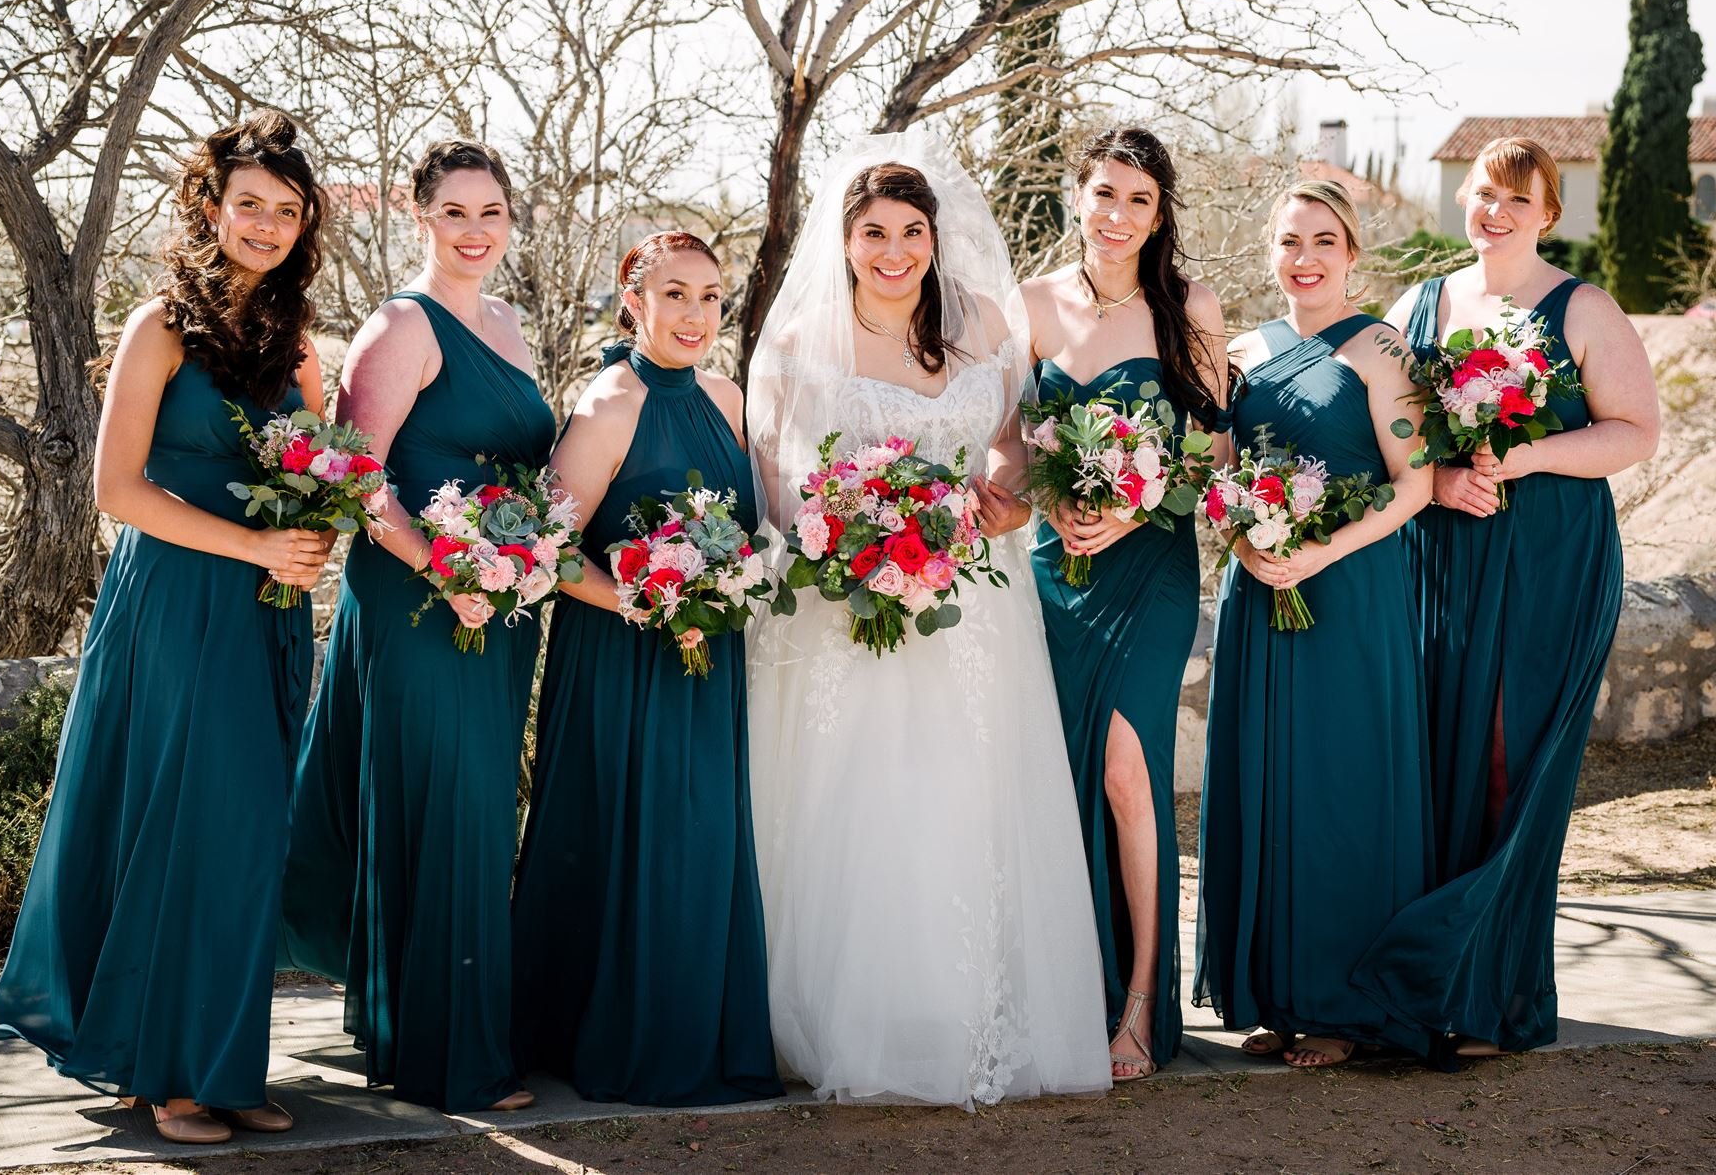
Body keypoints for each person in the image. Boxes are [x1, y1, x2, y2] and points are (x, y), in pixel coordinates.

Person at [0, 111, 333, 1144]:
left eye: (285, 209)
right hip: (175, 606)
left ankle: (224, 1065)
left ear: (304, 222)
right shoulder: (159, 328)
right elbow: (115, 490)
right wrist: (257, 548)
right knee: (181, 820)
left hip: (268, 613)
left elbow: (327, 474)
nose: (265, 225)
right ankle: (166, 1071)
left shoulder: (302, 347)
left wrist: (317, 532)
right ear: (210, 208)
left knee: (241, 836)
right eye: (248, 205)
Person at [746, 132, 1111, 1109]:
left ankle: (966, 1016)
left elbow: (1013, 444)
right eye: (874, 231)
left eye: (911, 231)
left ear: (934, 237)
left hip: (971, 609)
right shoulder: (796, 342)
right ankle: (858, 1023)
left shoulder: (982, 321)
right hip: (844, 611)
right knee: (860, 802)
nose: (894, 249)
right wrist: (837, 541)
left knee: (963, 794)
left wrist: (1008, 496)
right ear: (845, 237)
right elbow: (776, 475)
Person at [1355, 137, 1659, 1059]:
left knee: (1507, 759)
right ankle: (1423, 983)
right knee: (1435, 758)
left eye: (1515, 199)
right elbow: (1388, 433)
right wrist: (1443, 479)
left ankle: (1490, 994)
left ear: (1547, 214)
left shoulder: (1583, 307)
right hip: (1442, 556)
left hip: (1550, 565)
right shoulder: (1421, 303)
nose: (1494, 210)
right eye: (1483, 193)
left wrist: (1525, 454)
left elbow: (1636, 432)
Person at [279, 140, 552, 1113]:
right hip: (417, 602)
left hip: (499, 606)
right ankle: (445, 1057)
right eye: (454, 213)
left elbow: (526, 473)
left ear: (509, 218)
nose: (474, 231)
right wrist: (448, 562)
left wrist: (522, 553)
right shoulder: (400, 325)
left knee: (478, 813)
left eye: (490, 212)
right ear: (419, 217)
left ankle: (432, 1024)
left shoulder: (512, 327)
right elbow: (355, 477)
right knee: (444, 813)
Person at [511, 232, 782, 1107]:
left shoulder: (727, 397)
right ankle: (609, 1038)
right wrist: (638, 598)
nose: (696, 314)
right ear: (634, 301)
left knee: (700, 838)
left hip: (708, 656)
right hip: (621, 658)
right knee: (631, 837)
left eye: (710, 296)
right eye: (675, 294)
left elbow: (754, 522)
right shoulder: (608, 403)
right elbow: (540, 548)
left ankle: (699, 1032)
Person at [1194, 180, 1434, 1069]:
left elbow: (1414, 486)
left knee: (1341, 787)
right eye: (1290, 241)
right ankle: (1274, 995)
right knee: (1266, 783)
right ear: (1269, 250)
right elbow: (1218, 470)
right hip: (1259, 590)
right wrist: (1242, 537)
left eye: (1324, 241)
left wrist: (1320, 553)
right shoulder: (1243, 352)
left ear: (1353, 253)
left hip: (1351, 590)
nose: (1306, 258)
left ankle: (1341, 1005)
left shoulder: (1382, 348)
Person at [1018, 127, 1228, 1080]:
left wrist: (1140, 494)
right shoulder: (1030, 305)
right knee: (1060, 775)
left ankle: (1142, 1001)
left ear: (1160, 212)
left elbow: (1218, 449)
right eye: (1104, 193)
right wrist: (1050, 497)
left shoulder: (1188, 307)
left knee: (1126, 769)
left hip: (1151, 569)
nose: (1118, 215)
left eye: (1138, 201)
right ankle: (1065, 990)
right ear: (1077, 195)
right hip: (1057, 568)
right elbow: (1005, 446)